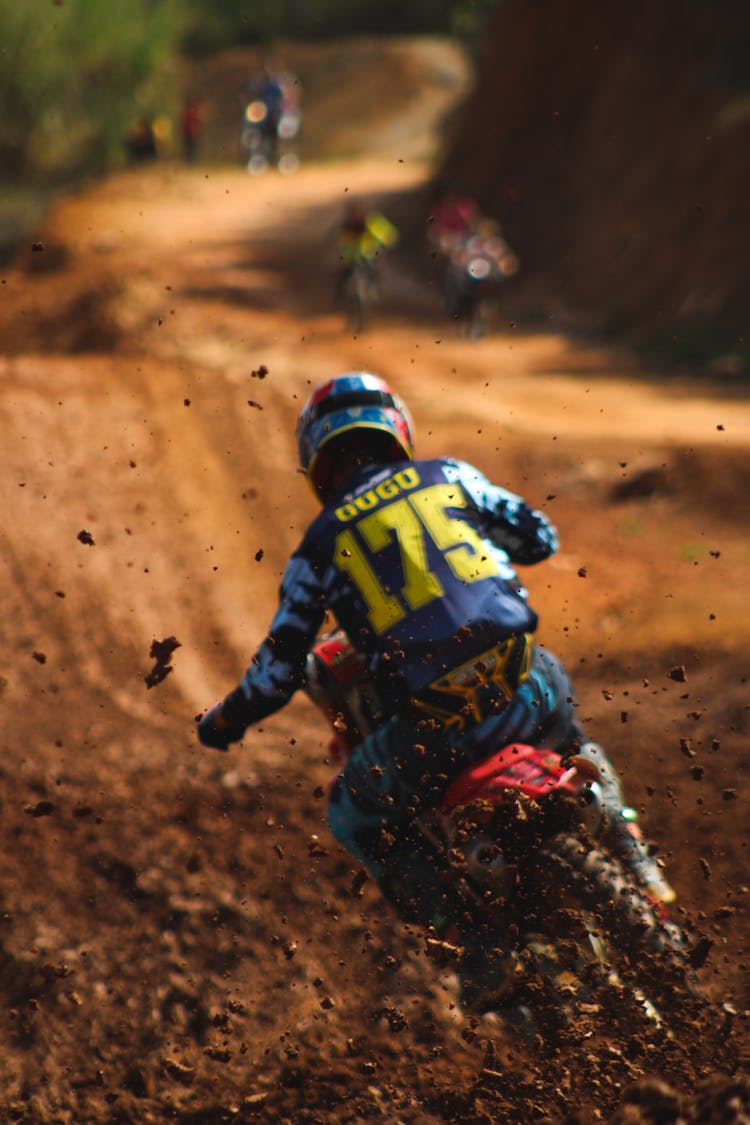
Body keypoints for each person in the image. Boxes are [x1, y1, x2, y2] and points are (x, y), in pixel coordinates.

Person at [197, 372, 673, 1005]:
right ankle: (642, 869)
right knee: (573, 736)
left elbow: (278, 669)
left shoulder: (319, 546)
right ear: (395, 433)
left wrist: (225, 719)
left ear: (317, 459)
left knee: (352, 813)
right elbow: (539, 536)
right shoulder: (452, 476)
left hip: (432, 733)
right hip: (524, 685)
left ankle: (472, 943)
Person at [334, 203, 398, 301]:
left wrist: (384, 243)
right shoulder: (347, 227)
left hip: (370, 255)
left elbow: (389, 235)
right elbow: (339, 239)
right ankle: (339, 299)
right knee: (344, 276)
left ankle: (375, 293)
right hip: (353, 257)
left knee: (373, 273)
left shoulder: (373, 223)